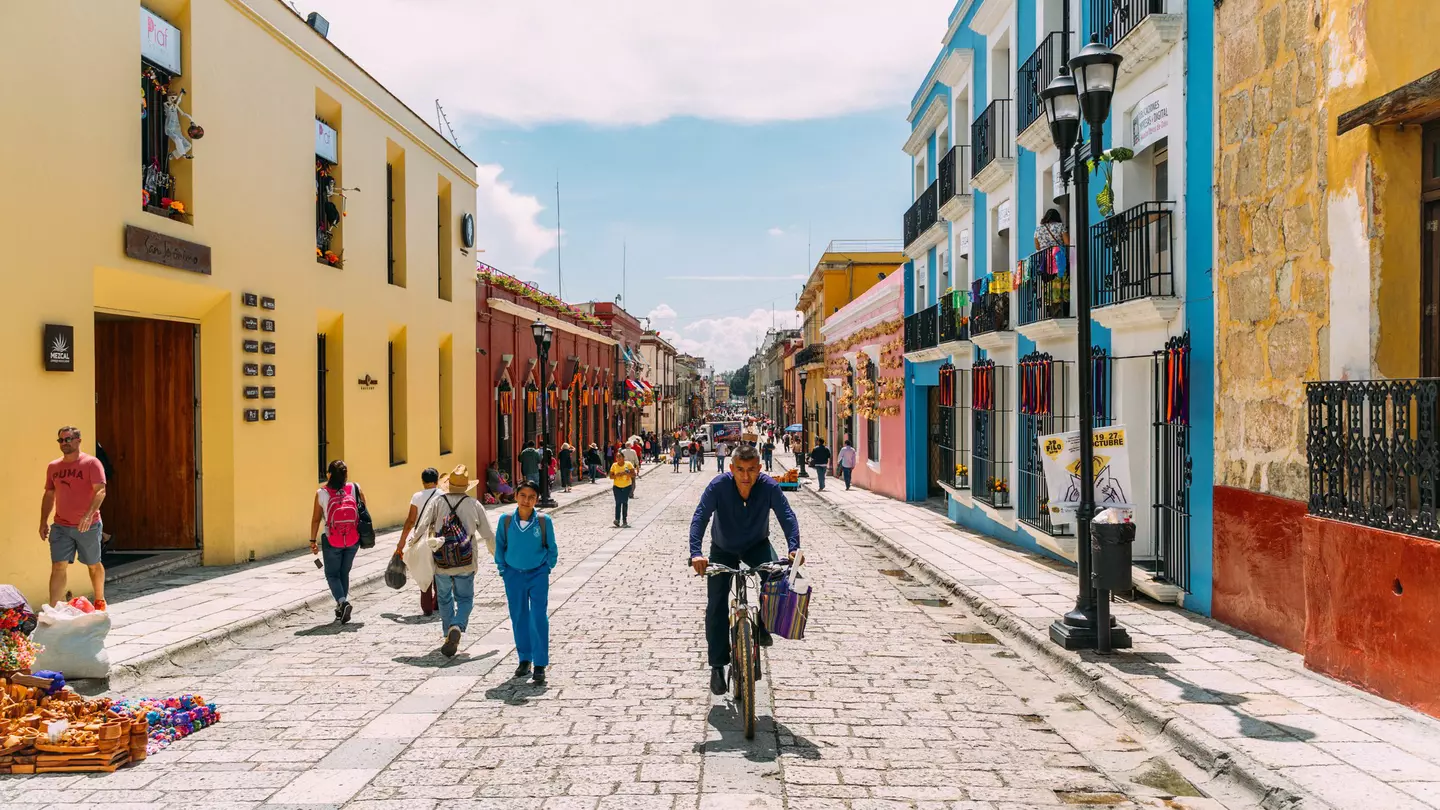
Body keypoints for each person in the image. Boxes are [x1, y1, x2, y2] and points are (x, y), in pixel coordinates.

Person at [689, 445, 803, 695]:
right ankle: (718, 666)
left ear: (759, 469)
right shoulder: (718, 486)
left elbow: (786, 515)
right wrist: (696, 553)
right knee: (716, 603)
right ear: (731, 468)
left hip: (757, 546)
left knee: (775, 580)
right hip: (723, 549)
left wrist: (794, 548)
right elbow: (700, 516)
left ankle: (762, 624)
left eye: (751, 470)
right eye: (740, 469)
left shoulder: (769, 487)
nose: (745, 476)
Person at [415, 465, 496, 657]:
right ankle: (457, 625)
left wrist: (411, 544)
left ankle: (447, 633)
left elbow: (423, 524)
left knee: (444, 598)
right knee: (465, 599)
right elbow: (488, 534)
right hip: (466, 560)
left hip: (442, 560)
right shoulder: (474, 504)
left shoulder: (437, 502)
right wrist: (497, 555)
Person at [495, 479, 557, 685]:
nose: (526, 500)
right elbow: (500, 547)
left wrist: (547, 567)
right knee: (519, 616)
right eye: (522, 496)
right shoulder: (505, 520)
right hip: (513, 575)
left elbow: (551, 547)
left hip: (538, 574)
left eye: (531, 497)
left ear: (537, 500)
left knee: (538, 616)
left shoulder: (543, 520)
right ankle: (524, 658)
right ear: (515, 496)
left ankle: (540, 663)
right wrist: (504, 569)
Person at [40, 426, 108, 608]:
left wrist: (88, 515)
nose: (64, 443)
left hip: (88, 525)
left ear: (78, 440)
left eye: (68, 439)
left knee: (93, 564)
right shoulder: (54, 466)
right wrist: (43, 521)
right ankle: (54, 608)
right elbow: (49, 494)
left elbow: (100, 491)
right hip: (61, 525)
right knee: (58, 565)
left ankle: (100, 599)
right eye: (61, 440)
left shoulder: (91, 463)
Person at [310, 460, 367, 624]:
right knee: (344, 572)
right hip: (353, 539)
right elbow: (363, 511)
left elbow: (315, 519)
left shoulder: (321, 493)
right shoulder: (355, 488)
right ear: (345, 474)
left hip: (332, 540)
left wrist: (312, 540)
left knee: (331, 574)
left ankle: (342, 602)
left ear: (328, 474)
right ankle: (341, 606)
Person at [396, 467, 442, 616]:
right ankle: (439, 602)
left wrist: (401, 542)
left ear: (422, 481)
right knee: (438, 570)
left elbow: (410, 521)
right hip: (439, 537)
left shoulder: (417, 496)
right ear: (437, 480)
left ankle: (427, 605)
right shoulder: (443, 495)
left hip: (421, 538)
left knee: (424, 570)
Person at [609, 453, 637, 528]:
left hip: (627, 486)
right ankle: (617, 520)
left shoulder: (628, 464)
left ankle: (624, 521)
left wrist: (626, 474)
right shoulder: (614, 465)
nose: (618, 458)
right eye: (617, 457)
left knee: (624, 502)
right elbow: (611, 476)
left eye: (620, 456)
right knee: (618, 503)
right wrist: (616, 475)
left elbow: (634, 475)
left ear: (623, 457)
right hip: (617, 487)